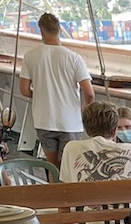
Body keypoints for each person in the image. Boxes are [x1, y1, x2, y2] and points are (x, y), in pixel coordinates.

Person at [18, 13, 93, 166]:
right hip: (70, 122)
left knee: (53, 167)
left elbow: (24, 90)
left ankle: (52, 187)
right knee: (70, 167)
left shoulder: (30, 56)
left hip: (44, 120)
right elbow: (89, 93)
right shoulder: (73, 58)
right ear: (59, 29)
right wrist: (84, 109)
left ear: (41, 30)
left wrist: (40, 95)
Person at [60, 100, 131, 183]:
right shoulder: (130, 150)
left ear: (86, 130)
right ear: (115, 131)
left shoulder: (71, 148)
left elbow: (65, 185)